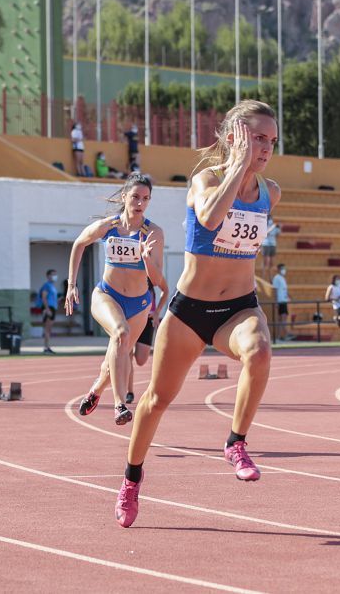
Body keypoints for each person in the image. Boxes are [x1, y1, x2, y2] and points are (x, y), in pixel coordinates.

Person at [115, 99, 281, 528]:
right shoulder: (204, 179)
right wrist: (238, 167)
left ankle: (235, 442)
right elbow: (208, 220)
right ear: (232, 138)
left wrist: (248, 171)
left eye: (272, 141)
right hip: (190, 312)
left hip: (238, 308)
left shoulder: (271, 193)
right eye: (257, 138)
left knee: (260, 353)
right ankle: (132, 478)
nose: (265, 148)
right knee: (155, 402)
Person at [68, 173, 166, 425]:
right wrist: (71, 285)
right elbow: (79, 243)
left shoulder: (153, 232)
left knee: (118, 353)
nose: (140, 203)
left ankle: (96, 390)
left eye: (146, 199)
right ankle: (120, 405)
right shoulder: (109, 226)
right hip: (107, 295)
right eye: (135, 197)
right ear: (125, 196)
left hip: (138, 304)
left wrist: (145, 257)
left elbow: (156, 280)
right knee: (121, 334)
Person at [81, 276, 168, 412]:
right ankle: (128, 393)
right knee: (126, 353)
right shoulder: (126, 269)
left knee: (141, 359)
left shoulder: (150, 270)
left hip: (147, 317)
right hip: (125, 315)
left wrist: (157, 312)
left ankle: (103, 379)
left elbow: (165, 290)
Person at [38, 270, 59, 354]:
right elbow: (44, 297)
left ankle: (47, 346)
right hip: (49, 308)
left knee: (49, 329)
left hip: (53, 308)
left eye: (55, 274)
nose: (55, 276)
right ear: (48, 276)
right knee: (47, 329)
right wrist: (47, 309)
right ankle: (46, 347)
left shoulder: (52, 286)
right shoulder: (46, 285)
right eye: (53, 274)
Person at [271, 263, 290, 341]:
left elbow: (285, 290)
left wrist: (288, 296)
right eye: (282, 268)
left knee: (283, 318)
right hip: (280, 301)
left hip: (284, 300)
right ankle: (284, 334)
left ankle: (281, 335)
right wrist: (276, 302)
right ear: (278, 269)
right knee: (282, 318)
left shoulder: (283, 278)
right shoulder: (276, 278)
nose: (284, 270)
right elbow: (275, 290)